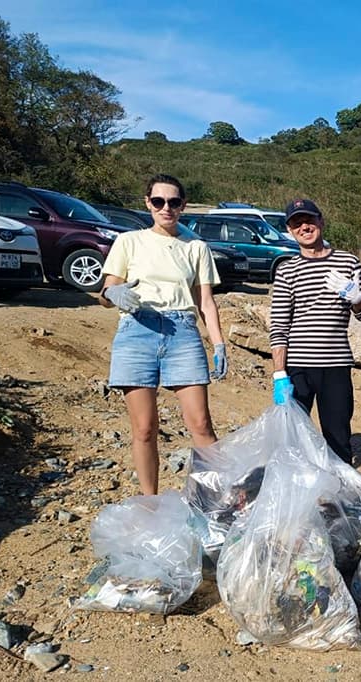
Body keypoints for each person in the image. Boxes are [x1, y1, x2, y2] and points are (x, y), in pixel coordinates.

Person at [101, 173, 226, 496]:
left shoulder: (196, 247)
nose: (166, 208)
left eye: (173, 202)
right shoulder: (129, 241)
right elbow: (108, 289)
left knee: (200, 424)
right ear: (148, 203)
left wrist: (219, 343)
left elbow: (206, 302)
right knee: (144, 428)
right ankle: (150, 503)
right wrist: (112, 294)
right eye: (158, 201)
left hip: (182, 333)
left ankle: (214, 501)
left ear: (183, 205)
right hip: (136, 329)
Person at [269, 198, 361, 465]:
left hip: (335, 365)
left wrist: (355, 297)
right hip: (298, 367)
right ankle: (298, 497)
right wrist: (280, 373)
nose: (304, 227)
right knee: (294, 438)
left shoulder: (348, 263)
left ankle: (339, 499)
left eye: (309, 220)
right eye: (296, 223)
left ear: (321, 222)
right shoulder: (286, 270)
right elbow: (279, 325)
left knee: (338, 436)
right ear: (290, 230)